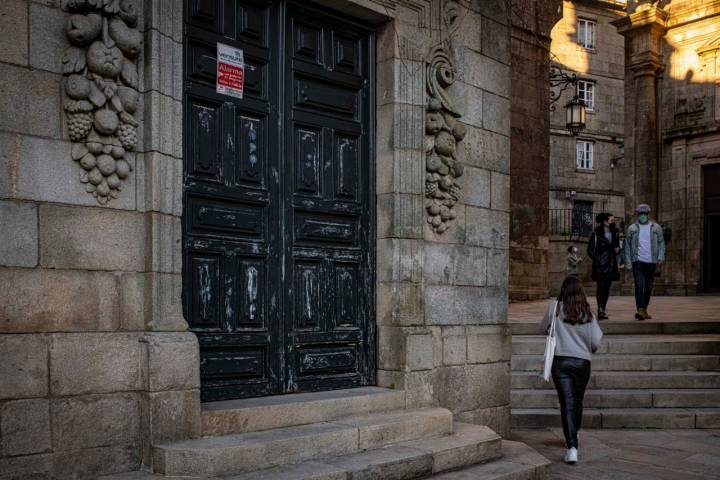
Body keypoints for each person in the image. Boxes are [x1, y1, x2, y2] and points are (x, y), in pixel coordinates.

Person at [540, 276, 603, 465]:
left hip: (561, 361)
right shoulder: (588, 313)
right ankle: (574, 436)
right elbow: (595, 342)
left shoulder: (555, 308)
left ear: (563, 290)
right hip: (583, 362)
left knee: (567, 403)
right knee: (577, 401)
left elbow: (543, 328)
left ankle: (572, 447)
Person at [624, 204, 665, 320]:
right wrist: (627, 262)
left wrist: (660, 256)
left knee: (649, 287)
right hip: (637, 261)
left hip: (651, 261)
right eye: (641, 214)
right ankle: (640, 310)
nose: (643, 216)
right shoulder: (632, 228)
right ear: (638, 214)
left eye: (645, 214)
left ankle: (644, 309)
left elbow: (661, 242)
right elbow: (627, 246)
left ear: (648, 214)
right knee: (639, 285)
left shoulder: (656, 227)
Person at [587, 213, 620, 320]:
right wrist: (597, 259)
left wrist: (618, 249)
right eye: (611, 220)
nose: (613, 221)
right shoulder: (596, 233)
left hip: (611, 264)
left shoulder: (615, 233)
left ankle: (603, 309)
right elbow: (590, 250)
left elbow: (616, 247)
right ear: (605, 222)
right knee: (601, 287)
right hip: (600, 266)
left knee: (606, 288)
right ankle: (600, 309)